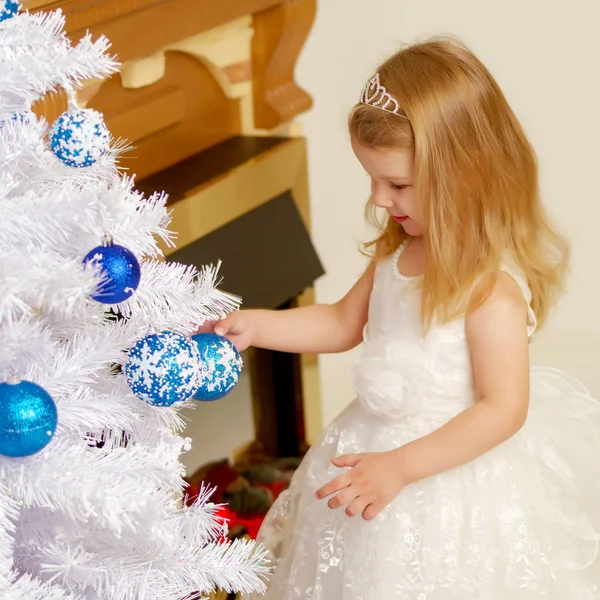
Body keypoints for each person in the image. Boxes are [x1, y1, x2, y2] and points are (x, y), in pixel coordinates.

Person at [209, 39, 600, 598]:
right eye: (372, 179)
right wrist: (257, 326)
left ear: (466, 173)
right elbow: (342, 323)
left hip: (448, 469)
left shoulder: (489, 292)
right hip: (372, 449)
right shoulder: (397, 258)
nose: (379, 198)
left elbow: (502, 409)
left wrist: (401, 467)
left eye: (398, 184)